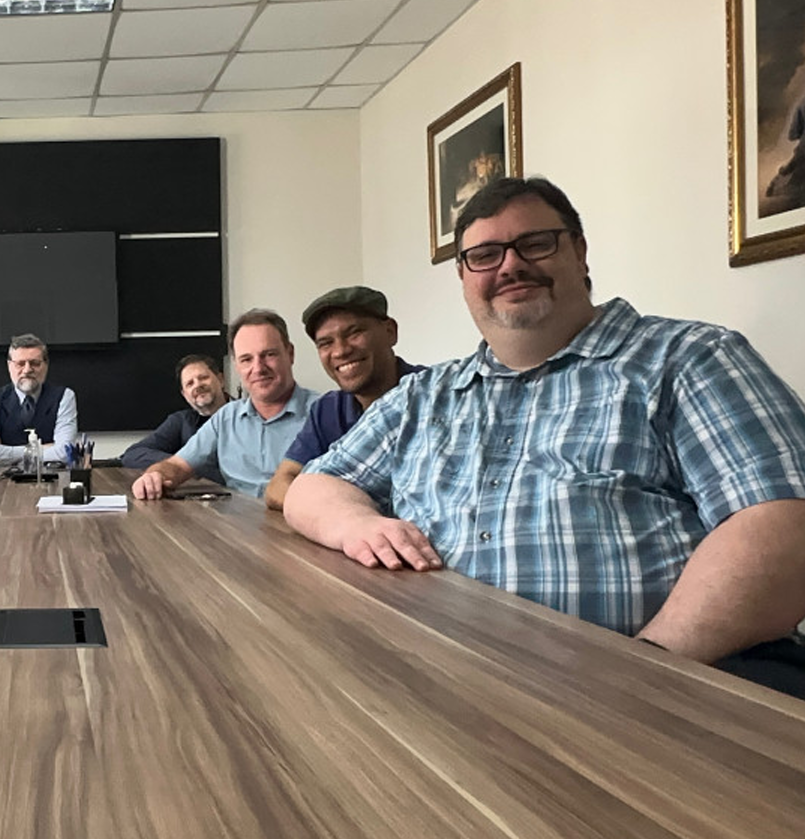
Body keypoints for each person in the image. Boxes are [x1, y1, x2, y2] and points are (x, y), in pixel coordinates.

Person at [284, 177, 805, 697]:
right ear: (464, 278)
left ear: (579, 253)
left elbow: (783, 524)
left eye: (535, 244)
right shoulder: (425, 394)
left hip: (644, 697)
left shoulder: (689, 358)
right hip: (437, 683)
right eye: (484, 255)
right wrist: (357, 525)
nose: (510, 265)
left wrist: (649, 670)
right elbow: (312, 486)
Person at [264, 287, 424, 510]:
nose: (340, 351)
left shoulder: (433, 395)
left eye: (354, 333)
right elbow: (279, 485)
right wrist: (346, 518)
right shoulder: (328, 410)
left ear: (390, 331)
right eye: (326, 343)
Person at [132, 309, 317, 500]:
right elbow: (178, 466)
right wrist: (155, 476)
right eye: (246, 359)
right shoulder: (226, 418)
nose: (258, 368)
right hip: (234, 525)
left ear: (290, 354)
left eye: (269, 354)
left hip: (299, 523)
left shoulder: (326, 414)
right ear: (236, 366)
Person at [121, 354, 229, 483]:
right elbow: (133, 454)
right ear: (185, 395)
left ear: (221, 380)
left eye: (203, 378)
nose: (197, 385)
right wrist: (177, 465)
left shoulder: (245, 416)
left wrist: (188, 466)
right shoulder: (181, 421)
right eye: (190, 384)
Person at [0, 333, 78, 466]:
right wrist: (44, 448)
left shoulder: (64, 397)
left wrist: (3, 452)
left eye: (35, 363)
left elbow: (64, 452)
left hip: (51, 480)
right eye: (20, 364)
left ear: (46, 365)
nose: (27, 370)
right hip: (2, 481)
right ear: (9, 366)